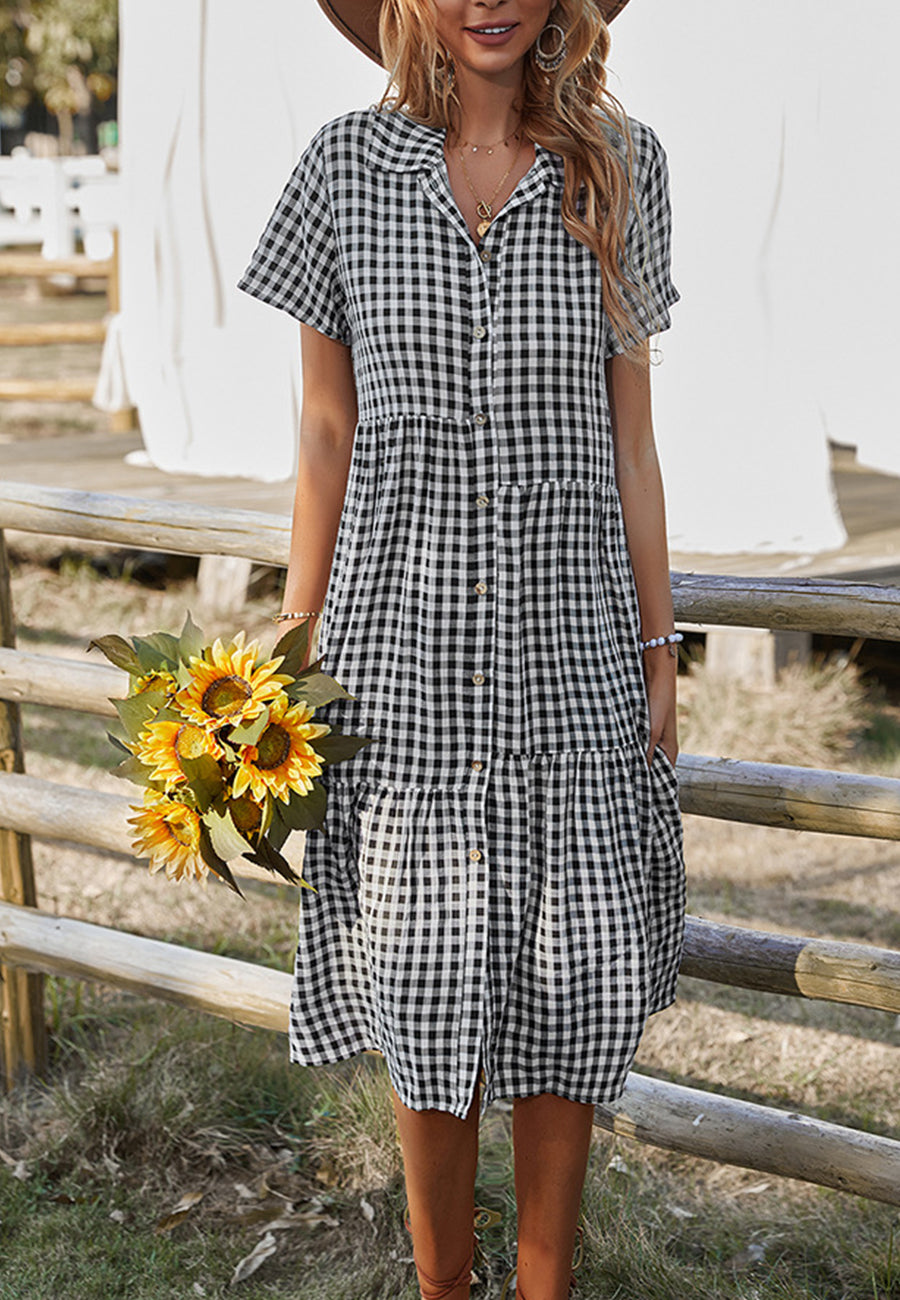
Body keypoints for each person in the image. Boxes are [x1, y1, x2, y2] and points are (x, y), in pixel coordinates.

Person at [238, 1, 686, 1296]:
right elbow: (326, 434)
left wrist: (660, 648)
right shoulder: (341, 168)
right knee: (425, 986)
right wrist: (294, 646)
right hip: (399, 654)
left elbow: (632, 441)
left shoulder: (620, 163)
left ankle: (541, 1287)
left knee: (570, 983)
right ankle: (444, 1286)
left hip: (574, 650)